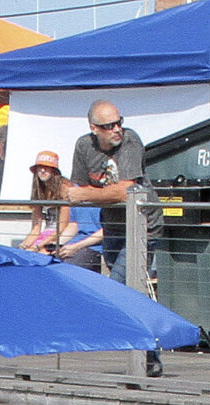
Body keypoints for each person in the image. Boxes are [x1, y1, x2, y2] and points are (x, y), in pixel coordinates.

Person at [67, 102, 143, 288]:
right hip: (111, 226)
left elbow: (126, 191)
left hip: (140, 226)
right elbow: (77, 189)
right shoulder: (84, 145)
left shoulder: (130, 140)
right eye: (109, 126)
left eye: (119, 123)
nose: (117, 129)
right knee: (123, 289)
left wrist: (88, 193)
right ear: (94, 128)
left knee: (117, 284)